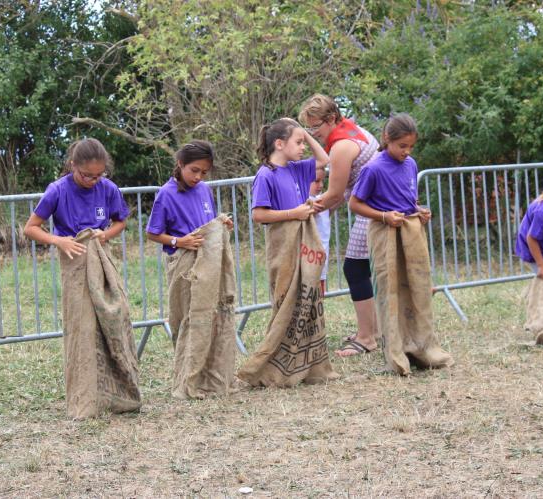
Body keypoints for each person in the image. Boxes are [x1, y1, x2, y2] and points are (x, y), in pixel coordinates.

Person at [24, 138, 140, 418]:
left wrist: (105, 234)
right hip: (74, 263)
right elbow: (31, 228)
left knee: (114, 319)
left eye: (98, 175)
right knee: (84, 328)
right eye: (86, 175)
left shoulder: (108, 189)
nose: (91, 180)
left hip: (102, 261)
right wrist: (59, 241)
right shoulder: (57, 190)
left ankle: (119, 396)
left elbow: (120, 221)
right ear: (73, 166)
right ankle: (85, 402)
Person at [237, 118, 338, 388]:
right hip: (282, 248)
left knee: (307, 302)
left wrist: (302, 130)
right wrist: (293, 214)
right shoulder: (265, 174)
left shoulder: (296, 169)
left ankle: (308, 366)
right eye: (298, 142)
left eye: (303, 141)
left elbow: (324, 159)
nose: (303, 146)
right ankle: (277, 366)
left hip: (303, 247)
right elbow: (259, 214)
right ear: (279, 144)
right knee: (285, 305)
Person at [349, 113, 452, 371]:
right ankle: (395, 351)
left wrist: (419, 210)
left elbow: (408, 199)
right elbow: (354, 203)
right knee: (390, 290)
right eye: (401, 146)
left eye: (411, 146)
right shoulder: (372, 169)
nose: (407, 152)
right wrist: (383, 216)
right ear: (386, 139)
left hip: (411, 234)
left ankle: (422, 347)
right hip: (385, 235)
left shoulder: (411, 165)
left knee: (417, 288)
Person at [146, 140, 236, 400]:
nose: (198, 177)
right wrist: (178, 241)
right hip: (183, 264)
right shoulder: (167, 193)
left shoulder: (205, 190)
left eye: (204, 172)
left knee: (212, 315)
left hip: (209, 264)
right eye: (194, 170)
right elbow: (153, 233)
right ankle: (188, 379)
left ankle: (213, 375)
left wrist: (221, 222)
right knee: (187, 317)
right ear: (180, 164)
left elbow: (207, 221)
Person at [298, 94, 380, 357]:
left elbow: (335, 195)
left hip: (372, 208)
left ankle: (367, 338)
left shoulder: (341, 147)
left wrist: (307, 210)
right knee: (367, 269)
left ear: (331, 119)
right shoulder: (356, 130)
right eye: (309, 128)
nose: (314, 133)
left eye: (316, 127)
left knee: (354, 268)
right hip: (379, 203)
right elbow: (343, 190)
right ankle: (375, 330)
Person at [309, 165, 330, 295]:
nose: (321, 185)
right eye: (316, 181)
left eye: (323, 181)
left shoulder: (321, 199)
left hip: (321, 257)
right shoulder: (309, 201)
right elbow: (336, 196)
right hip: (310, 258)